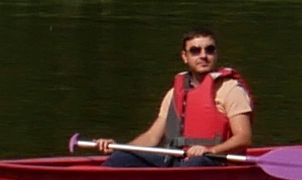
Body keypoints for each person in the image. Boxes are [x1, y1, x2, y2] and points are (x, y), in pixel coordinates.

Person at [109, 32, 256, 162]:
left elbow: (243, 138)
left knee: (196, 163)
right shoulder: (175, 93)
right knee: (120, 158)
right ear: (185, 57)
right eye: (195, 51)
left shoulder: (231, 90)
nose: (203, 55)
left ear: (216, 54)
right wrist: (118, 148)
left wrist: (211, 151)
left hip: (214, 160)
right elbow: (152, 137)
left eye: (209, 50)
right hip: (178, 159)